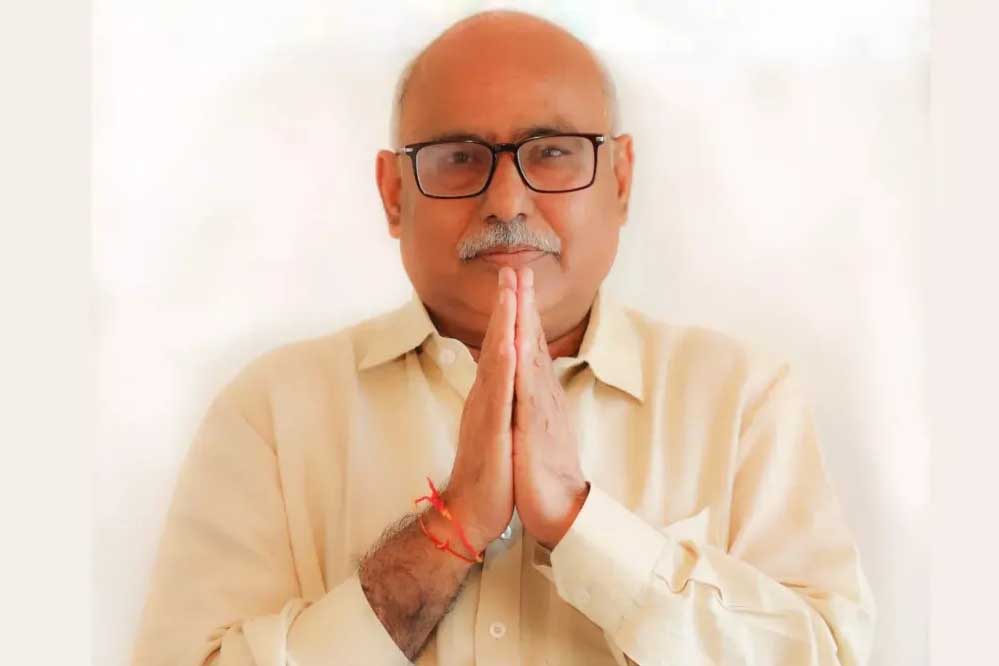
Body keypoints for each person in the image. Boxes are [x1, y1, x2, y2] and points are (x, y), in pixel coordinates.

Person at [131, 9, 875, 666]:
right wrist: (447, 532)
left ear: (620, 179)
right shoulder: (273, 411)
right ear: (393, 195)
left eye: (551, 151)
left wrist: (580, 523)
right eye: (458, 157)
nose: (507, 201)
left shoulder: (741, 399)